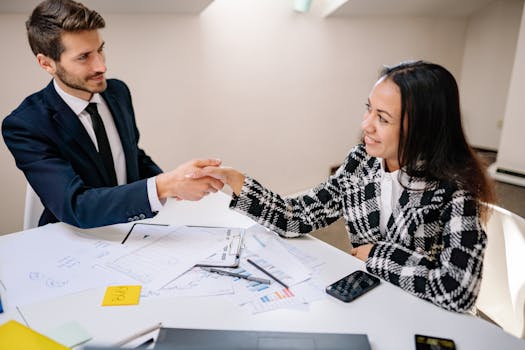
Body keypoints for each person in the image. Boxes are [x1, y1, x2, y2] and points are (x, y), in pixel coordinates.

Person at [189, 60, 496, 313]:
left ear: (421, 129)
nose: (366, 125)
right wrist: (236, 181)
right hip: (371, 303)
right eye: (369, 109)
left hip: (425, 317)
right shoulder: (363, 161)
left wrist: (376, 255)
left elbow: (457, 290)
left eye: (383, 118)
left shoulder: (456, 189)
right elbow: (299, 216)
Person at [2, 0, 223, 229]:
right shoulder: (25, 125)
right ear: (47, 64)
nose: (101, 67)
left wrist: (179, 185)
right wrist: (163, 185)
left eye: (100, 50)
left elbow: (133, 156)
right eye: (83, 57)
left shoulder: (117, 92)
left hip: (132, 228)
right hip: (71, 238)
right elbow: (77, 206)